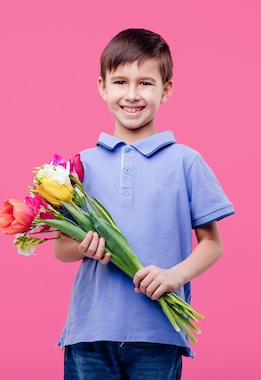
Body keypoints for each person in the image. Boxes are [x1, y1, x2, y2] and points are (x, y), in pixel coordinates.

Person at [54, 28, 234, 380]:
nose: (132, 95)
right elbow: (61, 250)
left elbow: (212, 243)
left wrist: (173, 276)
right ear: (102, 87)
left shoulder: (186, 162)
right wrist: (82, 247)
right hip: (89, 332)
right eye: (120, 82)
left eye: (146, 83)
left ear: (165, 90)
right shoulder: (80, 167)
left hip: (158, 333)